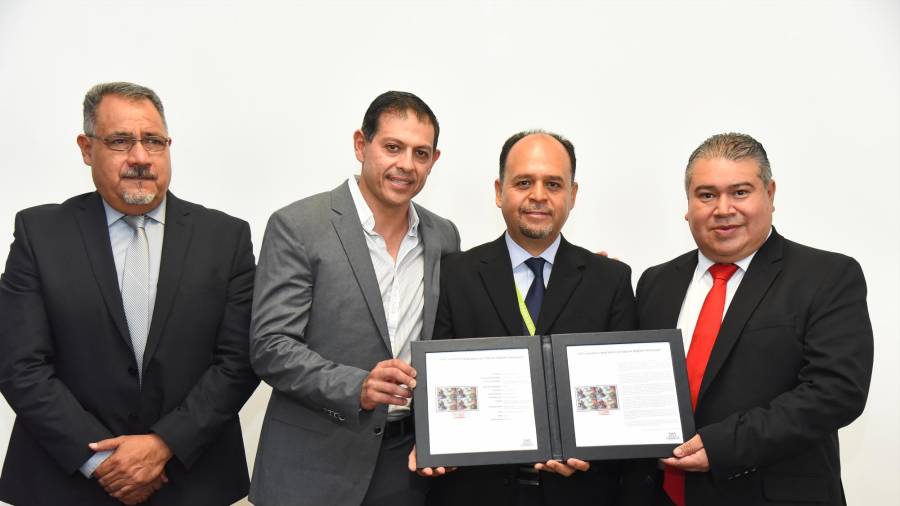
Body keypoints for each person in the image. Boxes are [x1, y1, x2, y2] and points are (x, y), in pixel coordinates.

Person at [0, 82, 259, 505]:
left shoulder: (226, 238)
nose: (140, 157)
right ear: (87, 149)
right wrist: (102, 461)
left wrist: (163, 445)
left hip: (191, 481)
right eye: (121, 141)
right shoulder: (40, 234)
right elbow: (20, 365)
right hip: (64, 482)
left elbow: (238, 362)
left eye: (154, 141)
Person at [635, 133, 873, 505]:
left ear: (771, 195)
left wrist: (724, 445)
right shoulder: (655, 282)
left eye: (740, 192)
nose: (723, 208)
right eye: (707, 195)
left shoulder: (827, 276)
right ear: (688, 205)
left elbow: (836, 392)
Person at [249, 91, 460, 506]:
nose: (406, 165)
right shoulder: (298, 226)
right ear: (361, 145)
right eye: (392, 147)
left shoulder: (443, 236)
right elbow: (270, 346)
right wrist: (357, 385)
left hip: (407, 468)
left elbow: (455, 334)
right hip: (312, 468)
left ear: (434, 161)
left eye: (421, 153)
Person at [416, 130, 636, 506]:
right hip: (474, 490)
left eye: (553, 183)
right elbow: (438, 381)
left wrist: (592, 451)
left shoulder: (610, 279)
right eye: (523, 182)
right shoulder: (455, 275)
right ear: (500, 191)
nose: (538, 195)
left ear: (573, 194)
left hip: (580, 490)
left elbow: (621, 393)